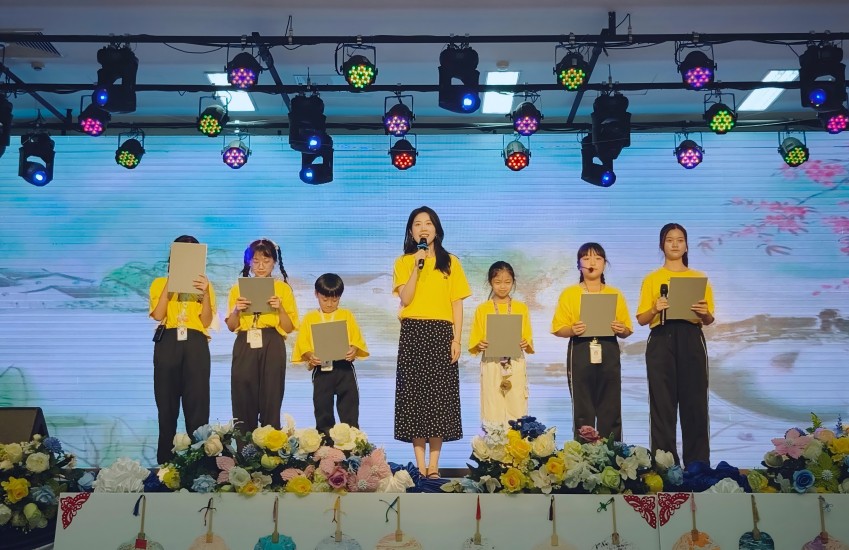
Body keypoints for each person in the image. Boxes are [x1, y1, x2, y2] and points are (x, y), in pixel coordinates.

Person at [393, 206, 471, 479]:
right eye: (417, 224)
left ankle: (435, 465)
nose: (423, 228)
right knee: (414, 398)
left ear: (436, 229)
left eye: (428, 223)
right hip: (413, 332)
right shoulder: (404, 262)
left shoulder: (451, 263)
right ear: (411, 231)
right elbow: (406, 298)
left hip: (441, 332)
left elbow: (457, 304)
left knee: (439, 399)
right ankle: (420, 466)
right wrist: (416, 267)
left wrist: (457, 339)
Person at [636, 223, 715, 466]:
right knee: (662, 405)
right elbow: (641, 319)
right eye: (670, 240)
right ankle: (665, 467)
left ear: (686, 246)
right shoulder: (652, 278)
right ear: (662, 245)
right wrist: (655, 308)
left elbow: (709, 319)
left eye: (680, 240)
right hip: (661, 338)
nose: (675, 244)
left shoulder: (699, 278)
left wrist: (703, 313)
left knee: (695, 404)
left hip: (691, 337)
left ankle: (697, 466)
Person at [551, 242, 633, 441]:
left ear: (605, 263)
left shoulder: (615, 293)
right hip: (580, 348)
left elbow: (627, 330)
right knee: (583, 407)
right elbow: (558, 328)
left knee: (611, 405)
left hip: (608, 347)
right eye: (586, 258)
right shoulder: (570, 293)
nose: (592, 263)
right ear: (579, 265)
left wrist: (621, 329)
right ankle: (584, 455)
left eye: (597, 258)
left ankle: (611, 454)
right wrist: (572, 330)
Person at [148, 235, 215, 465]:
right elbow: (158, 314)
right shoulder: (160, 283)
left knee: (198, 405)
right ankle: (165, 465)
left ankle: (199, 466)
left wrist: (205, 294)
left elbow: (206, 321)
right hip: (168, 340)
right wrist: (172, 282)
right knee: (166, 407)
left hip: (196, 342)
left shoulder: (204, 284)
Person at [225, 238, 299, 431]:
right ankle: (244, 446)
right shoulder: (237, 289)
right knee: (242, 394)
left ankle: (270, 446)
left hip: (272, 341)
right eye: (256, 261)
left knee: (271, 396)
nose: (260, 266)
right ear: (248, 262)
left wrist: (280, 308)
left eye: (266, 261)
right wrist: (237, 310)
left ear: (274, 262)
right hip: (245, 341)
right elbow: (231, 326)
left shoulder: (282, 289)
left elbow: (289, 327)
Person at [291, 273, 368, 439]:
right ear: (316, 294)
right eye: (325, 299)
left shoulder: (346, 315)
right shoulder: (310, 317)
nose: (329, 304)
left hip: (344, 368)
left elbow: (356, 340)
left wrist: (353, 349)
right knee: (323, 409)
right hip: (322, 369)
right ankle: (326, 445)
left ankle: (353, 445)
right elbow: (303, 344)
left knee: (349, 408)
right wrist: (310, 355)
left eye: (335, 300)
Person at [468, 261, 534, 426]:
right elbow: (476, 340)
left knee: (517, 402)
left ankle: (518, 440)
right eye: (497, 282)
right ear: (490, 282)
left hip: (515, 360)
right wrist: (480, 344)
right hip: (492, 361)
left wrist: (525, 342)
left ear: (513, 282)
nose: (503, 286)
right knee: (492, 403)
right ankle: (493, 440)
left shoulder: (521, 307)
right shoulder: (483, 309)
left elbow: (527, 337)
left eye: (507, 282)